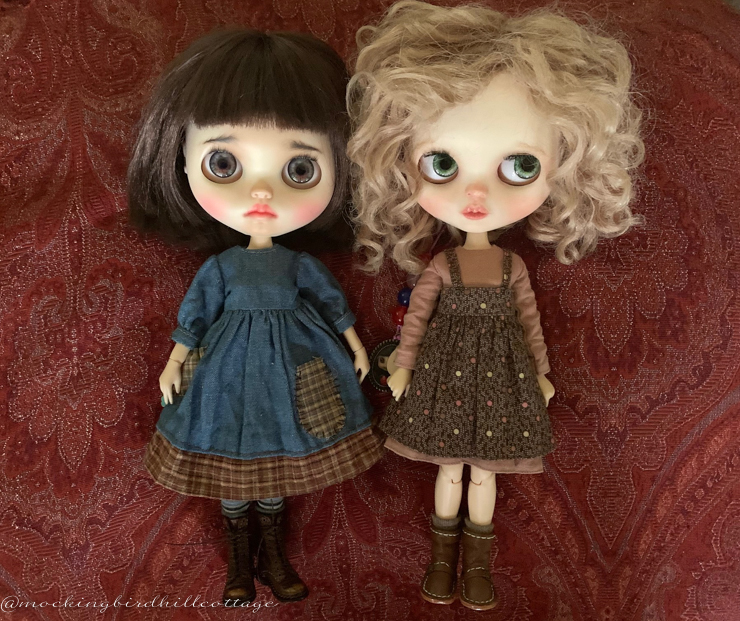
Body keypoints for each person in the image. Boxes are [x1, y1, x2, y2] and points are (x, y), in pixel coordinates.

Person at [348, 1, 643, 610]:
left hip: (500, 378)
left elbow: (530, 323)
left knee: (483, 468)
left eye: (520, 165)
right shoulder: (443, 266)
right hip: (444, 376)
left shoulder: (512, 268)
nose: (476, 192)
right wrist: (404, 366)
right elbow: (418, 320)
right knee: (448, 468)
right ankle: (441, 559)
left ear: (567, 167)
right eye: (443, 164)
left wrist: (540, 373)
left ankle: (477, 566)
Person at [127, 28, 384, 606]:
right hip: (225, 370)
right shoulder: (221, 267)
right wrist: (173, 363)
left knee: (278, 475)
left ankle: (276, 557)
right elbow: (195, 316)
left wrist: (355, 345)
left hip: (294, 363)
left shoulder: (298, 264)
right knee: (230, 475)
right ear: (181, 161)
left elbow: (332, 304)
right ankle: (239, 568)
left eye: (300, 170)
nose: (262, 192)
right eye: (224, 163)